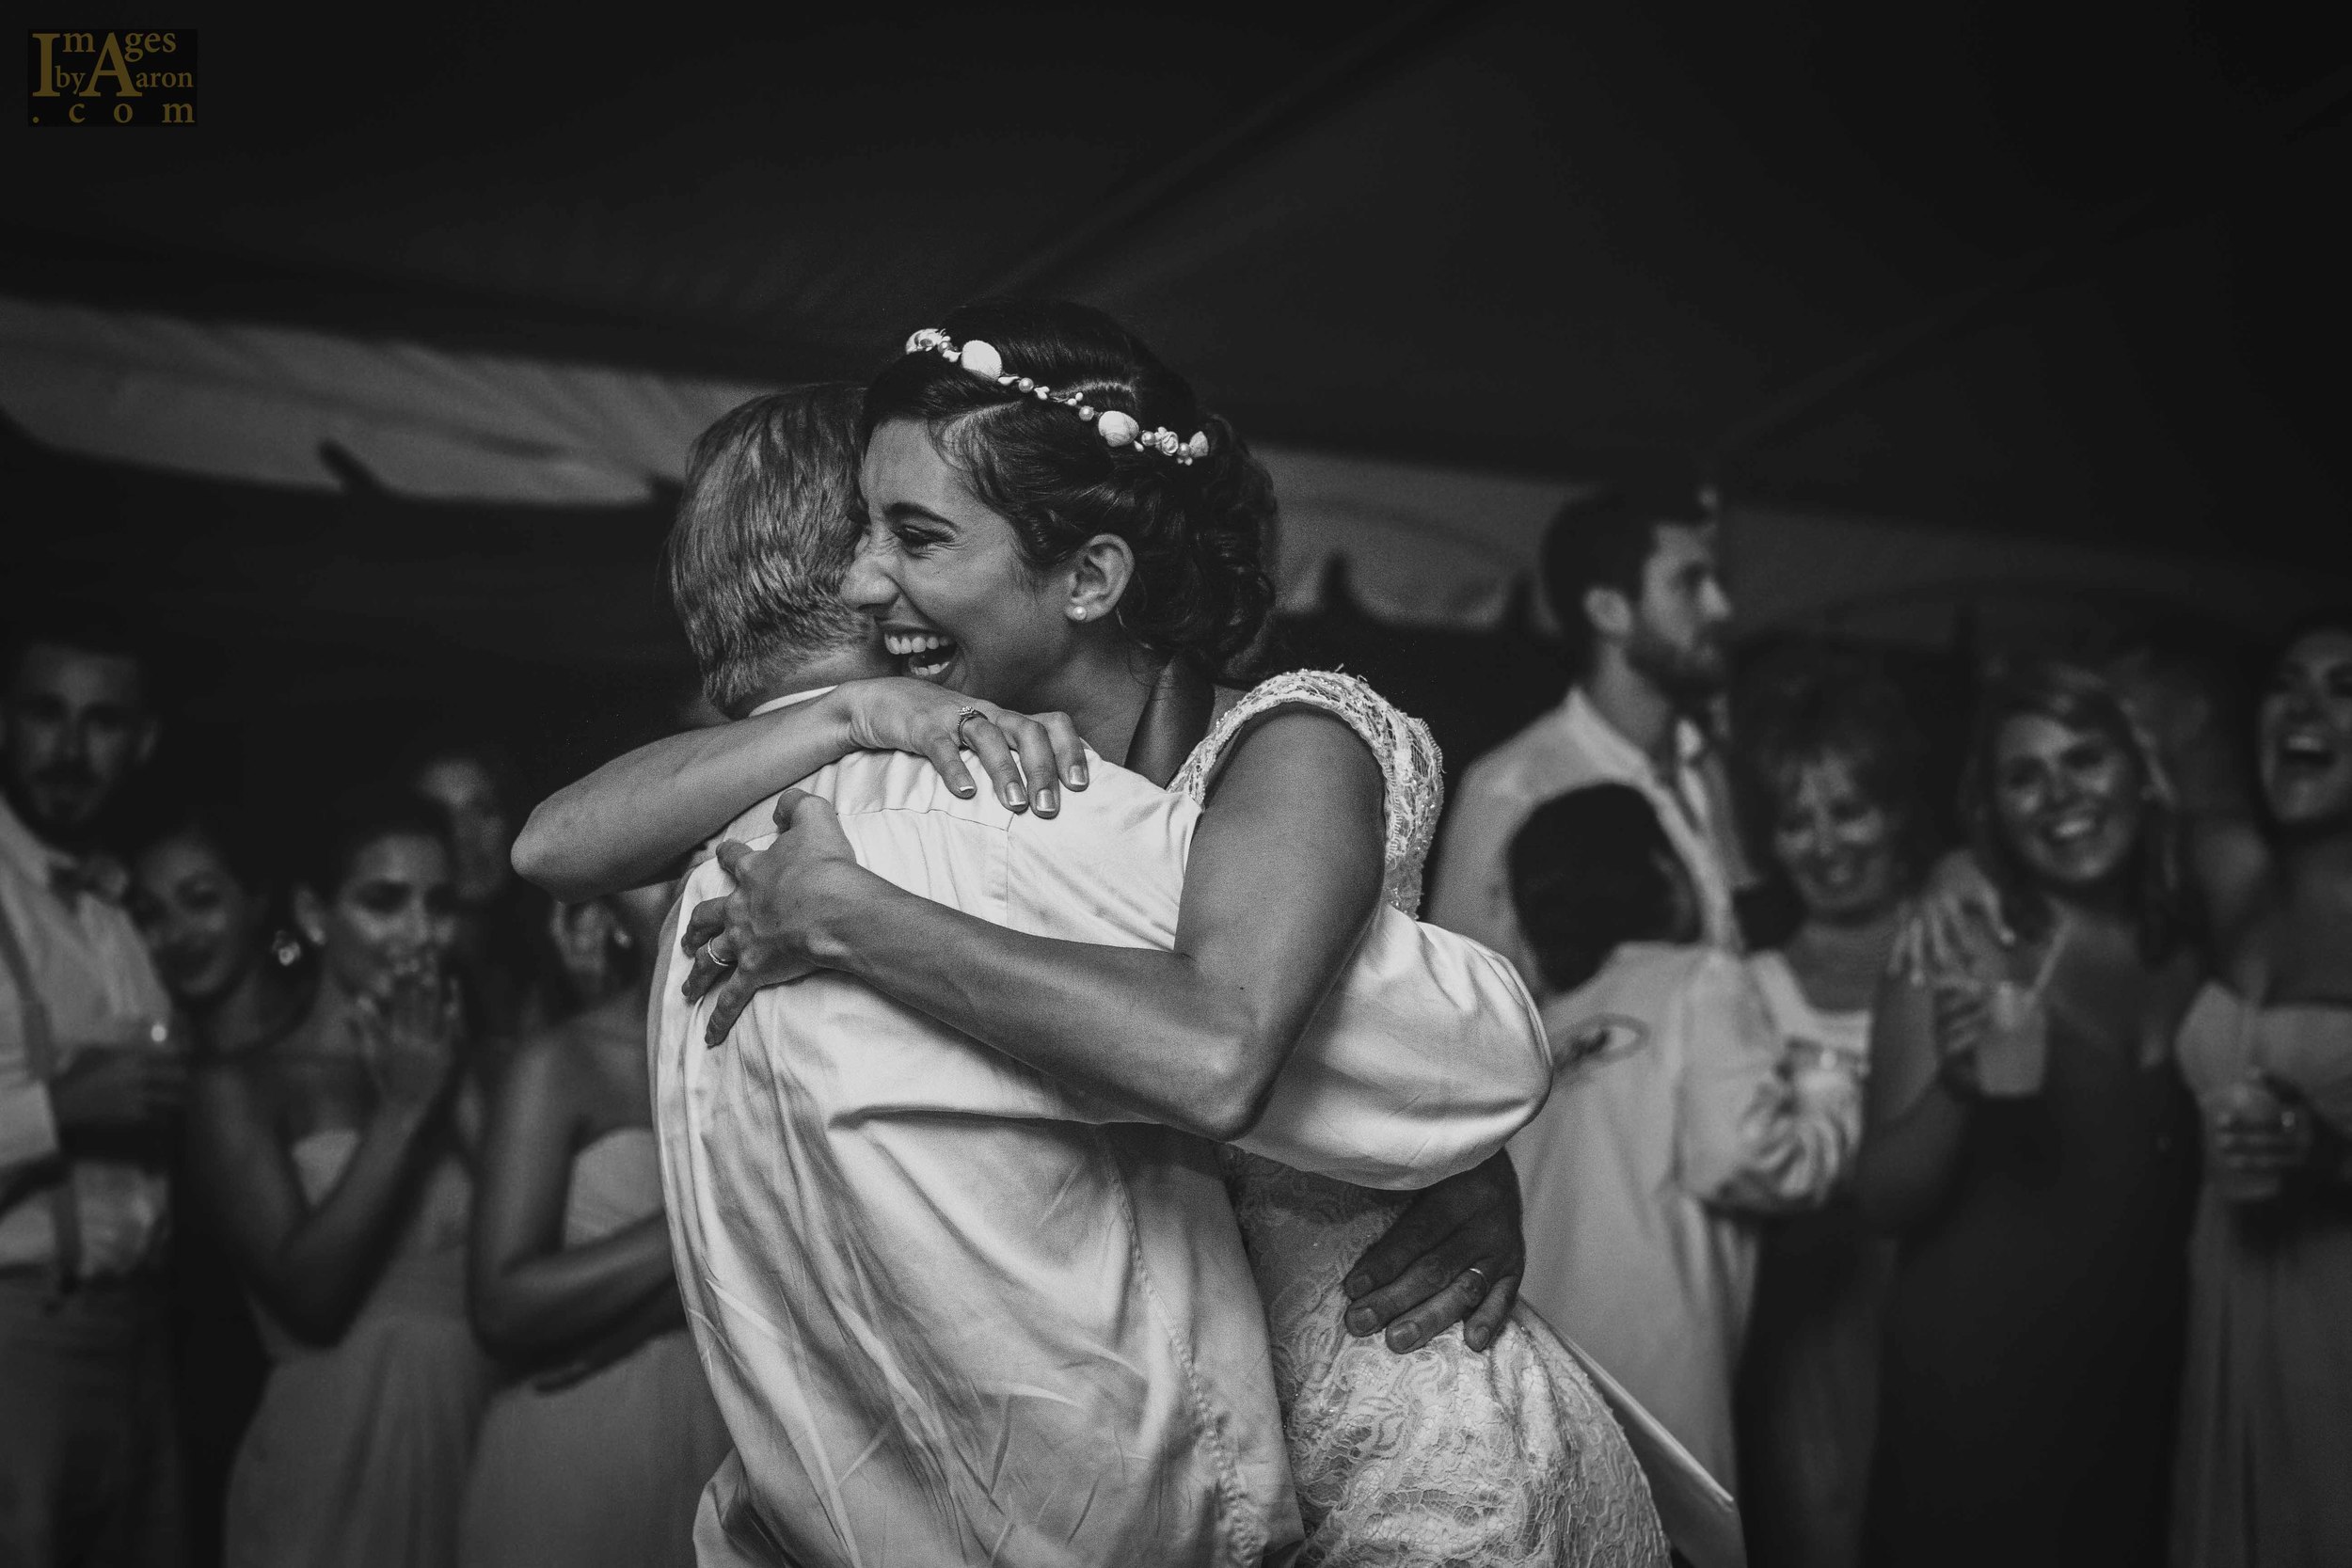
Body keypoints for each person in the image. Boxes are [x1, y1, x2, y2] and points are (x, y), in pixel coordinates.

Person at [516, 324, 1662, 1568]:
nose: (859, 580)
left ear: (1090, 577)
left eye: (914, 537)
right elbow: (556, 841)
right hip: (1233, 1464)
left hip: (1415, 1455)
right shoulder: (986, 794)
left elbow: (1254, 1045)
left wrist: (860, 920)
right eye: (864, 535)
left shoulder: (1292, 740)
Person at [1858, 660, 2199, 1568]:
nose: (2061, 795)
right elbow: (1881, 1195)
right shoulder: (1961, 936)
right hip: (1982, 1393)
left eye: (2086, 759)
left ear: (2141, 769)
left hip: (2144, 1393)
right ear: (1994, 808)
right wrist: (1958, 1087)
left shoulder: (2192, 936)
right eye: (2024, 775)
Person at [1503, 783, 1853, 1492]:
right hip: (1656, 1395)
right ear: (1666, 874)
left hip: (1533, 1387)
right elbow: (1742, 1157)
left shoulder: (1533, 1035)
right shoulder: (1701, 976)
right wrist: (1832, 1096)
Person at [189, 786, 492, 1568]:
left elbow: (526, 1248)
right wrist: (403, 1110)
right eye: (385, 901)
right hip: (336, 1442)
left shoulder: (473, 1065)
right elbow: (307, 1300)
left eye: (440, 903)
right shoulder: (245, 1085)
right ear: (316, 915)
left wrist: (453, 1084)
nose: (421, 933)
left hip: (481, 1425)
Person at [455, 876, 729, 1568]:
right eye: (661, 868)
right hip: (583, 1437)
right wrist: (712, 1214)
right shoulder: (562, 1061)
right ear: (602, 915)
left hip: (733, 1442)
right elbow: (500, 1303)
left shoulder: (775, 1055)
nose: (692, 882)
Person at [1725, 660, 1925, 1568]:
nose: (1824, 842)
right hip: (1811, 1330)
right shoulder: (1748, 988)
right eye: (1797, 819)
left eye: (1848, 810)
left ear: (1900, 815)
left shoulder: (1958, 938)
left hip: (1949, 1301)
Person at [0, 611, 185, 1568]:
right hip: (21, 1327)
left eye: (102, 721)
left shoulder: (117, 902)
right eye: (44, 713)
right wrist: (60, 1109)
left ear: (142, 740)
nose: (69, 749)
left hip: (141, 1333)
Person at [2170, 608, 2352, 1567]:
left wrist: (2330, 1159)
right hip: (2227, 1298)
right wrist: (1953, 877)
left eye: (2343, 686)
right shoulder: (2228, 868)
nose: (2303, 705)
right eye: (2287, 680)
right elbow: (2070, 822)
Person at [1427, 477, 1743, 995]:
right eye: (1690, 584)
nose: (1719, 608)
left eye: (1717, 582)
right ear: (1608, 611)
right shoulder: (1516, 786)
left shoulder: (1711, 766)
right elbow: (1467, 1008)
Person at [130, 807, 308, 1568]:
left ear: (257, 898)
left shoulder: (327, 1036)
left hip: (324, 1397)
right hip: (193, 1406)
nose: (177, 933)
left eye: (200, 898)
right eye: (150, 914)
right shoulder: (146, 1077)